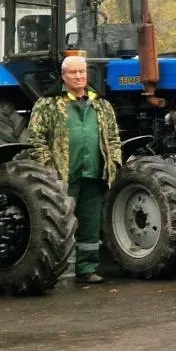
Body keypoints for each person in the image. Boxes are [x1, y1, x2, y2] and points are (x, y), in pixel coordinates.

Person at [25, 55, 123, 284]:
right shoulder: (47, 104)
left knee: (90, 225)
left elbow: (114, 137)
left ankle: (86, 268)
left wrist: (114, 162)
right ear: (63, 76)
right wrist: (49, 168)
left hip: (93, 174)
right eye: (73, 73)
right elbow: (35, 139)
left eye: (82, 72)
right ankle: (51, 270)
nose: (78, 76)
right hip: (61, 177)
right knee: (58, 225)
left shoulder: (101, 104)